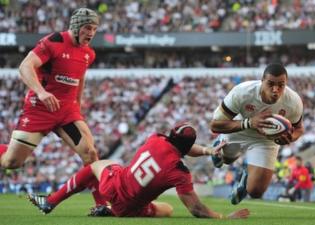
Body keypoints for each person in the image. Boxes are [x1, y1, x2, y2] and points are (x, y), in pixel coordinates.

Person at [28, 123, 250, 219]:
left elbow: (180, 146)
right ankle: (106, 209)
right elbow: (196, 209)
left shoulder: (156, 138)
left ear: (171, 136)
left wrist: (207, 150)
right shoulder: (179, 171)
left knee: (96, 165)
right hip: (130, 209)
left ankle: (52, 201)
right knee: (168, 210)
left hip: (113, 185)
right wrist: (222, 217)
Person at [0, 7, 105, 205]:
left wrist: (78, 107)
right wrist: (41, 92)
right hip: (40, 109)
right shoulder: (53, 41)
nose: (91, 33)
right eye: (87, 28)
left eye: (95, 29)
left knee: (90, 153)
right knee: (11, 163)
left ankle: (101, 204)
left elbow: (79, 78)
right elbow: (25, 66)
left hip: (67, 112)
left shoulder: (88, 54)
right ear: (76, 26)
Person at [210, 63, 304, 204]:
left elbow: (299, 129)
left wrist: (290, 138)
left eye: (281, 85)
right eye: (270, 84)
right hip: (239, 129)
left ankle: (245, 179)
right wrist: (248, 123)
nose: (275, 90)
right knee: (227, 160)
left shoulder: (293, 101)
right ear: (262, 81)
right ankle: (221, 144)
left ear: (286, 84)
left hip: (266, 140)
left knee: (256, 192)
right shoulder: (242, 92)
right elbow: (214, 125)